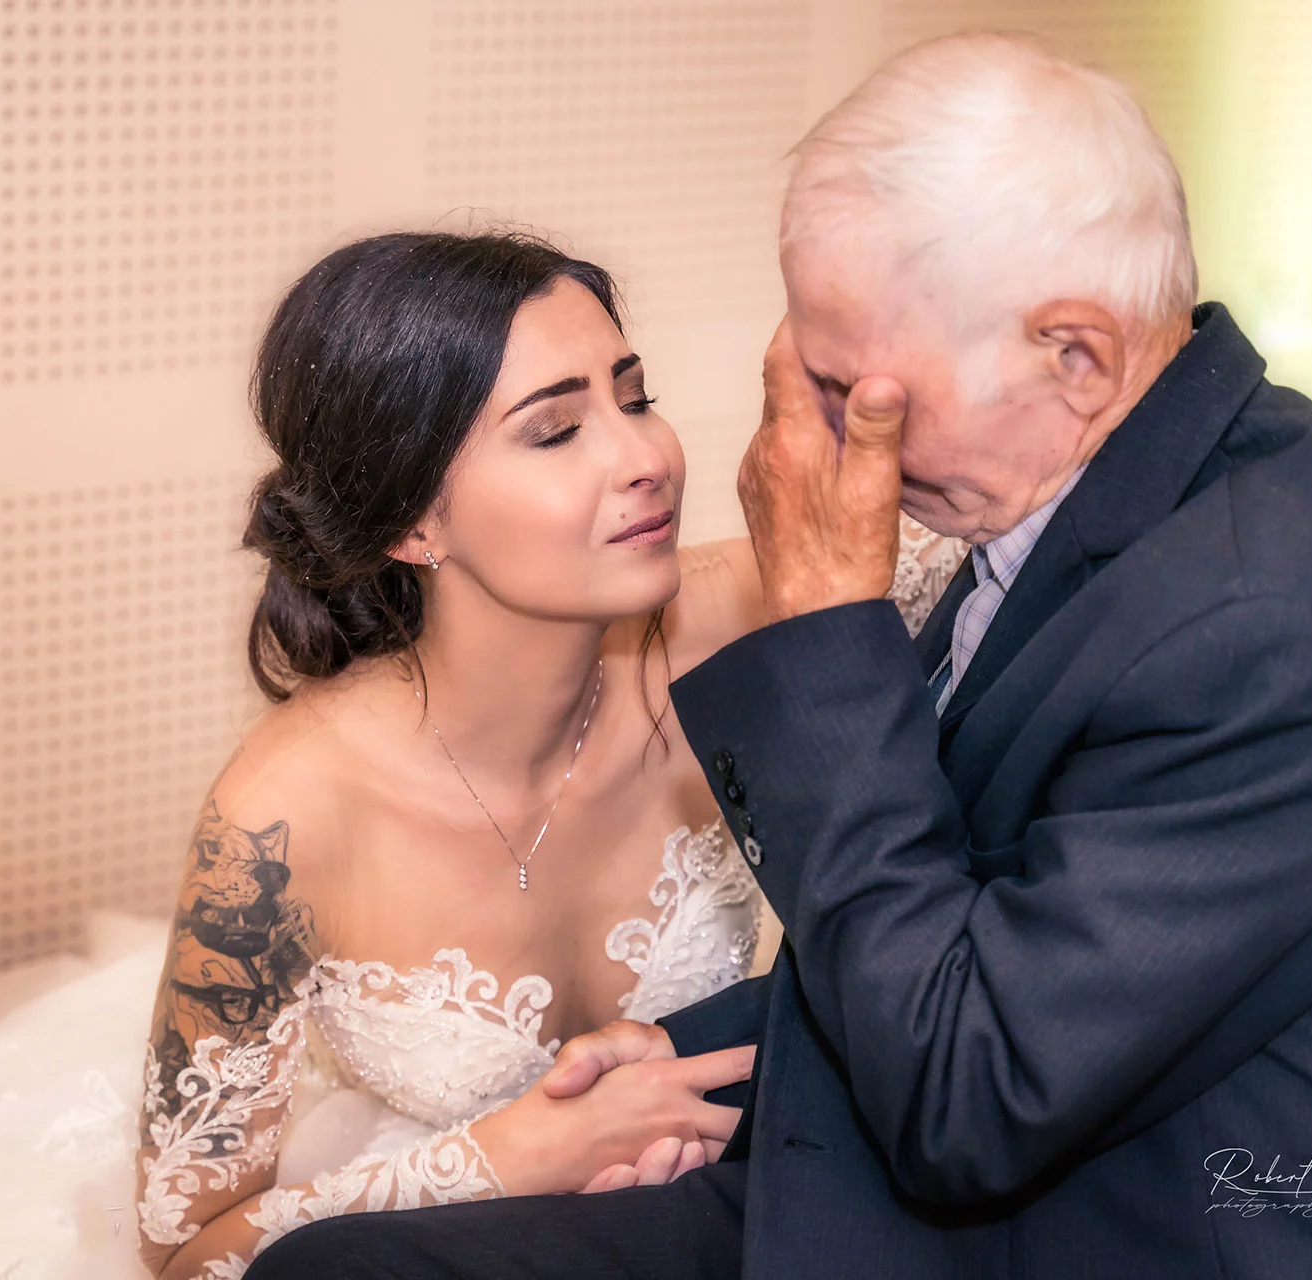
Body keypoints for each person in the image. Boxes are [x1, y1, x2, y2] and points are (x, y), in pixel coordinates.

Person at [259, 33, 1312, 1280]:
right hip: (964, 1144)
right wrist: (685, 1053)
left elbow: (969, 1098)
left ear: (1075, 355)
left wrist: (824, 628)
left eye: (847, 389)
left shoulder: (1264, 629)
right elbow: (1000, 912)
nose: (804, 439)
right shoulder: (1107, 491)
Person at [132, 231, 960, 1280]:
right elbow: (184, 1248)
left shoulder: (764, 615)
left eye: (636, 397)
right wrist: (503, 1158)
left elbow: (1022, 548)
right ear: (411, 522)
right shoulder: (283, 816)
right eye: (557, 430)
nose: (648, 457)